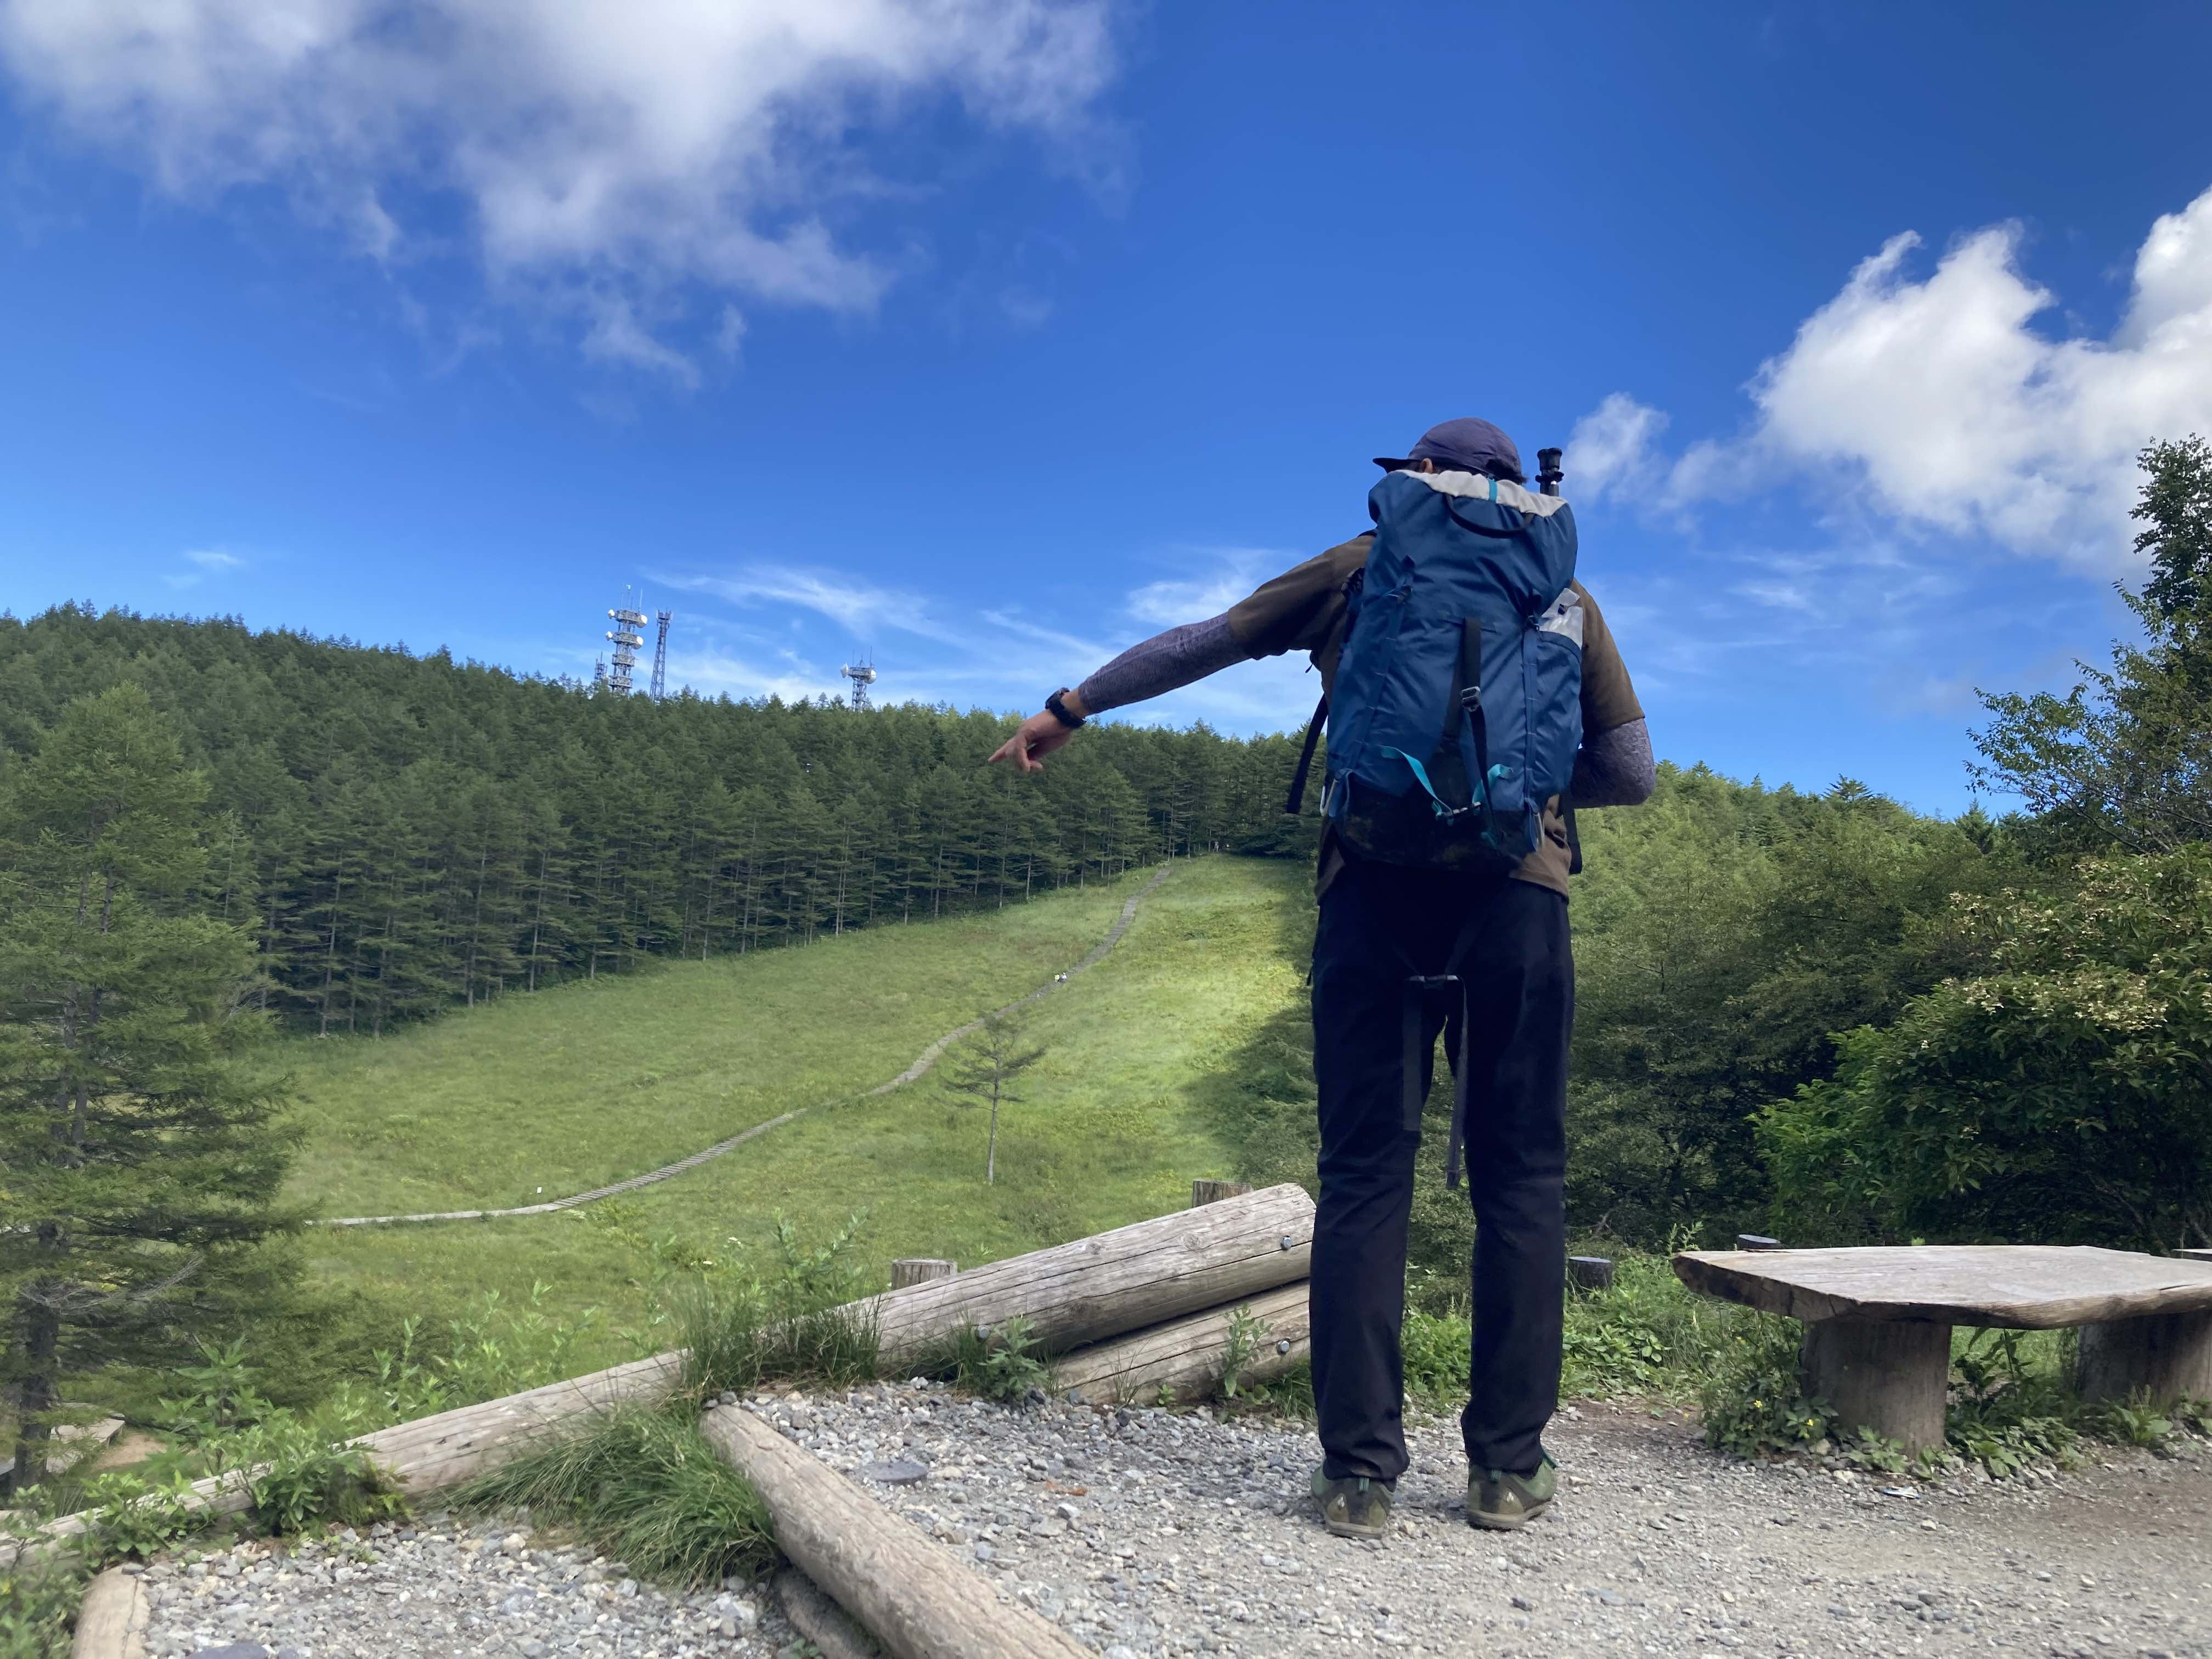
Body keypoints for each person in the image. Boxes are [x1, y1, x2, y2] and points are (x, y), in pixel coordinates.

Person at [989, 417, 1654, 1538]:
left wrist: (1072, 709)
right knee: (1523, 1182)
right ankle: (1504, 1472)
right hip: (1519, 905)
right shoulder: (1565, 597)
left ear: (1411, 483)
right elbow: (1632, 774)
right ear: (1517, 495)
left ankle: (1359, 1479)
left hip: (1372, 896)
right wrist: (1520, 795)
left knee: (1362, 1180)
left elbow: (1202, 642)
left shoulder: (1360, 569)